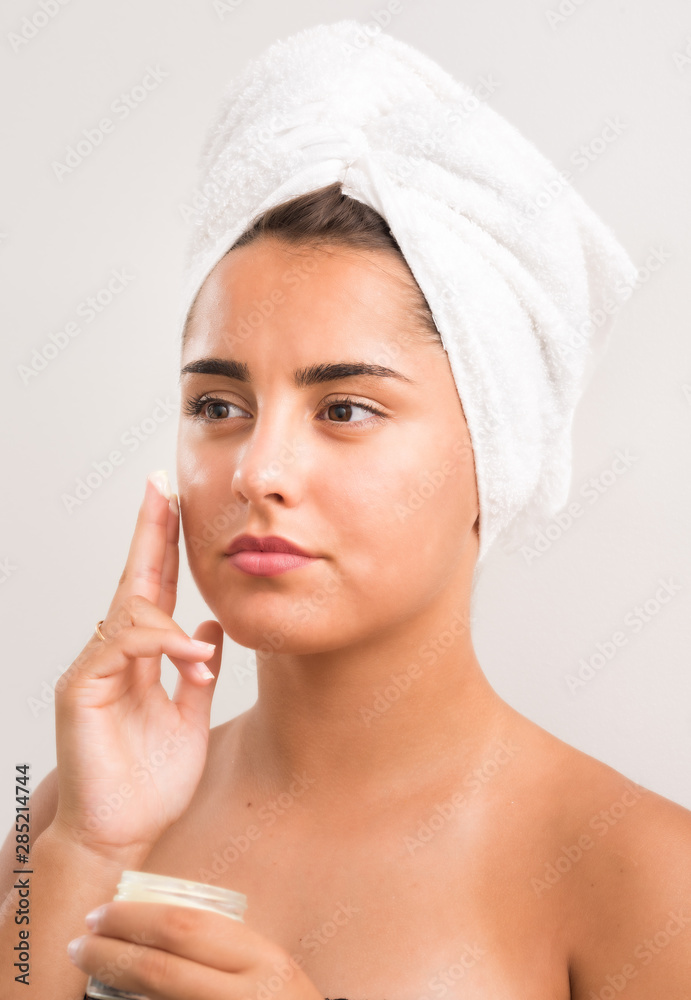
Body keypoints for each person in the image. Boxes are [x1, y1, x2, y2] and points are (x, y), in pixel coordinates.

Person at [2, 21, 691, 1000]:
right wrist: (84, 853)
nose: (258, 471)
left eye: (345, 409)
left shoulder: (642, 874)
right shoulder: (74, 815)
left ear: (494, 453)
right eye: (218, 407)